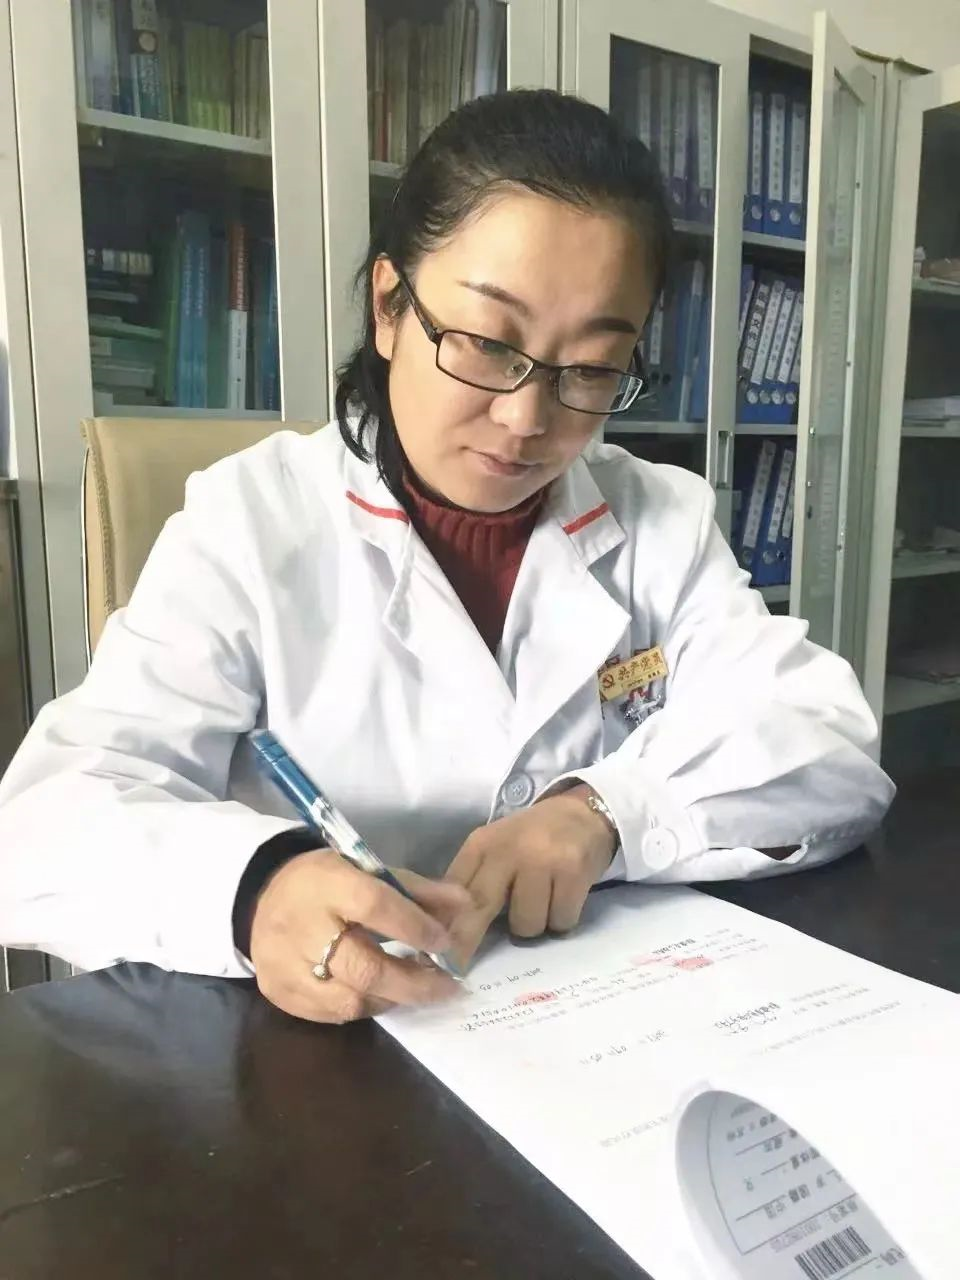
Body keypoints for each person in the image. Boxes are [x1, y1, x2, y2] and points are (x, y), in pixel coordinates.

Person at [0, 89, 894, 1025]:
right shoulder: (249, 521)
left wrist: (604, 810)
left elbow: (826, 741)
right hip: (320, 1050)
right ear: (390, 306)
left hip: (594, 1019)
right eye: (486, 343)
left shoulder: (658, 516)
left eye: (591, 368)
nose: (527, 417)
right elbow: (44, 824)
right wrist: (255, 888)